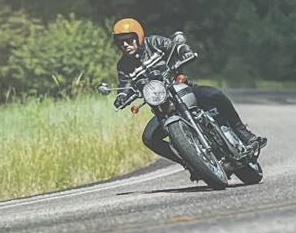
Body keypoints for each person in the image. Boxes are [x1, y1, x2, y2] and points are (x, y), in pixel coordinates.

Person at [111, 18, 265, 167]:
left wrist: (184, 51)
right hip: (163, 108)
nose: (125, 44)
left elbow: (174, 46)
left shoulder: (154, 42)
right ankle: (188, 163)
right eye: (120, 41)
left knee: (215, 95)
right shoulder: (123, 66)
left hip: (182, 90)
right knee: (149, 138)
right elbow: (124, 85)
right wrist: (121, 97)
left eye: (129, 39)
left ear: (138, 36)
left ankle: (245, 135)